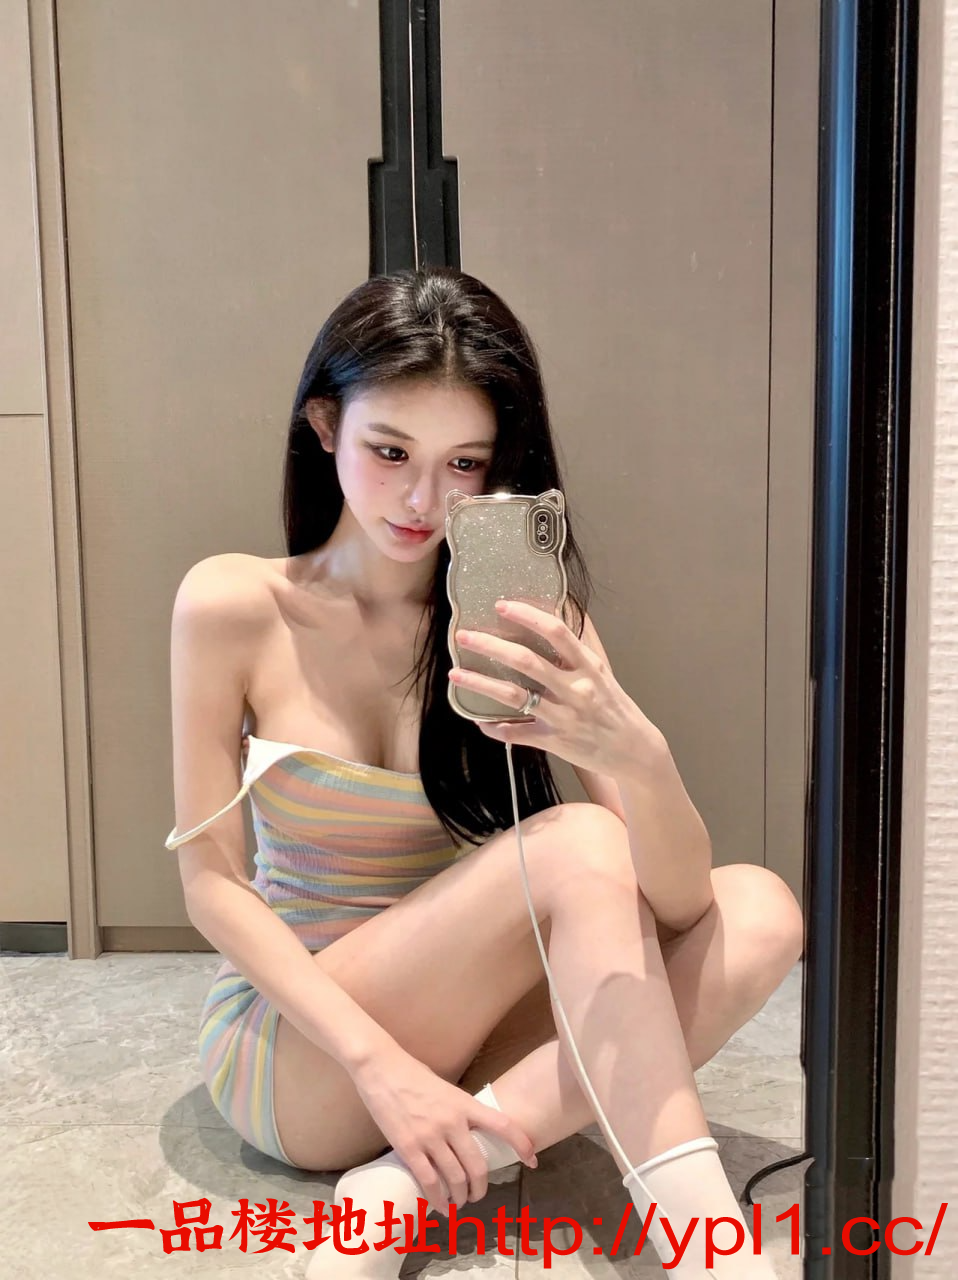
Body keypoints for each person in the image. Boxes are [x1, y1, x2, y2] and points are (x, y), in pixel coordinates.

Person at [166, 266, 804, 1278]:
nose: (424, 499)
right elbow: (212, 885)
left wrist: (634, 752)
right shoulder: (234, 604)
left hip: (469, 1045)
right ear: (324, 426)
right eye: (390, 451)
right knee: (580, 842)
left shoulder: (528, 623)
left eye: (464, 462)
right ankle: (711, 1252)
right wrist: (382, 1070)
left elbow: (685, 904)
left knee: (760, 910)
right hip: (307, 1050)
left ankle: (402, 1188)